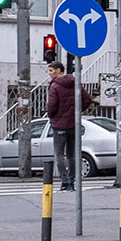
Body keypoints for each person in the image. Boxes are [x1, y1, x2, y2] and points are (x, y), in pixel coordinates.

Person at [45, 62, 93, 191]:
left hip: (60, 125)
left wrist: (52, 116)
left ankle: (65, 182)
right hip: (73, 124)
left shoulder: (54, 86)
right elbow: (87, 99)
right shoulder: (74, 83)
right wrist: (77, 111)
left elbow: (51, 106)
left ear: (58, 71)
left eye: (51, 70)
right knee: (72, 155)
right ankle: (72, 181)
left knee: (59, 154)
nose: (49, 73)